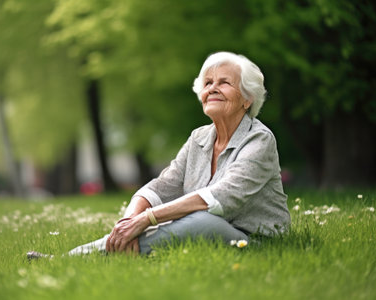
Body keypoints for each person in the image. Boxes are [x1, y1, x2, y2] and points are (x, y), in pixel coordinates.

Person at [27, 51, 290, 259]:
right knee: (168, 222)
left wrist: (147, 219)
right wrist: (129, 221)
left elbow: (221, 198)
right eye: (208, 83)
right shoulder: (199, 137)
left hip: (256, 241)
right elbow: (162, 186)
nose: (212, 88)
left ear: (247, 99)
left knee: (199, 221)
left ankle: (77, 259)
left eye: (224, 83)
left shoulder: (259, 139)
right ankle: (77, 257)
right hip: (210, 228)